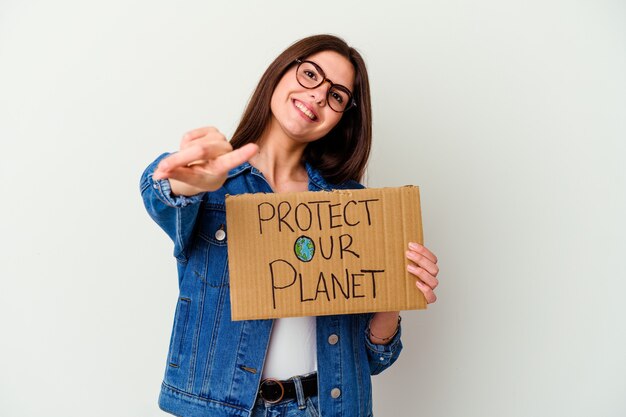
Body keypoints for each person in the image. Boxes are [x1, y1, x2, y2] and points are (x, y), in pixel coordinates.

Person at [140, 34, 439, 417]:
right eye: (310, 74)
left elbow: (372, 359)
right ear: (280, 72)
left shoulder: (352, 205)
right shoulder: (214, 183)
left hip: (327, 408)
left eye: (336, 96)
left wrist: (397, 297)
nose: (317, 96)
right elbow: (161, 192)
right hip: (219, 408)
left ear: (342, 117)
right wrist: (188, 181)